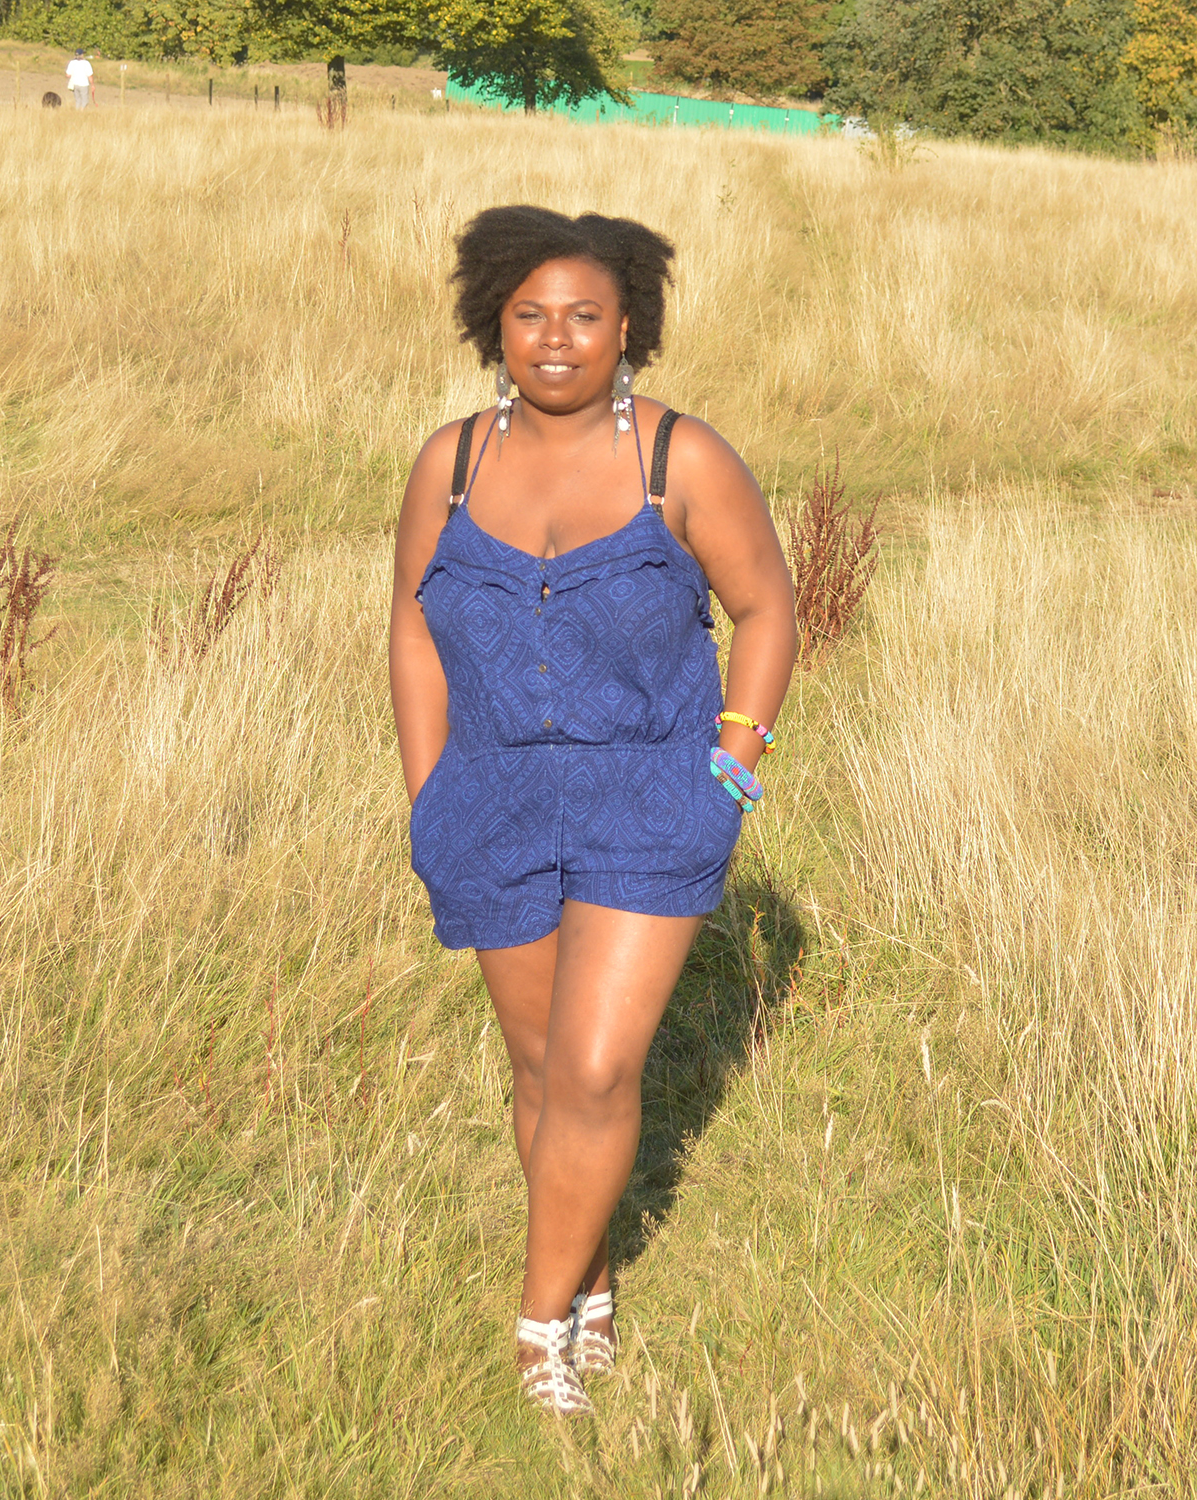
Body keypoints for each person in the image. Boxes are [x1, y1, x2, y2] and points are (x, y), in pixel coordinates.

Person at [389, 206, 796, 1416]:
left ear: (629, 328)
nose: (556, 338)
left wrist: (731, 762)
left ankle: (535, 1333)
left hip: (649, 800)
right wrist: (430, 791)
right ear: (493, 323)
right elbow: (412, 628)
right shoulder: (450, 464)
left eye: (584, 316)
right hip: (489, 804)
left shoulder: (682, 459)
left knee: (599, 1068)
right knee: (540, 1071)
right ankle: (593, 1283)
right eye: (530, 314)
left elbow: (767, 607)